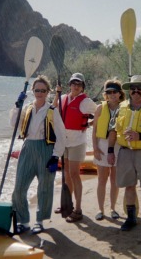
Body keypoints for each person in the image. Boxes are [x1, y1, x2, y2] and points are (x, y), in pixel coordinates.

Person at [9, 75, 66, 234]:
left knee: (45, 188)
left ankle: (40, 221)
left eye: (42, 90)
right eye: (36, 90)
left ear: (48, 92)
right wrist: (17, 105)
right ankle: (24, 221)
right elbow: (14, 124)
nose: (39, 93)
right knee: (19, 187)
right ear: (32, 91)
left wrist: (56, 156)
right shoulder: (26, 108)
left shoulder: (52, 111)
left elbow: (62, 136)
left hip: (46, 149)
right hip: (28, 148)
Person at [107, 75, 141, 235]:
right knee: (129, 186)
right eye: (133, 88)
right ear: (129, 90)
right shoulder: (120, 107)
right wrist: (110, 151)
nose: (136, 91)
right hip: (124, 153)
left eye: (140, 88)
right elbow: (112, 131)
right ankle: (131, 218)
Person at [53, 72, 97, 223]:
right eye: (73, 83)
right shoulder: (63, 98)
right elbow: (53, 109)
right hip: (64, 142)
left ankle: (78, 209)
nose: (76, 86)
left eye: (79, 84)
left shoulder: (85, 102)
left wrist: (89, 124)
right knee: (66, 174)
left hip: (77, 142)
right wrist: (56, 93)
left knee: (74, 174)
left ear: (82, 87)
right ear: (70, 85)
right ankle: (67, 204)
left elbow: (100, 112)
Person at [91, 79, 125, 221]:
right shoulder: (100, 108)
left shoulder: (124, 108)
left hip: (117, 146)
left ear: (119, 94)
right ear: (105, 94)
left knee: (114, 180)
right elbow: (94, 130)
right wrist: (95, 149)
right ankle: (100, 209)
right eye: (109, 92)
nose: (112, 95)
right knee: (102, 180)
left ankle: (113, 208)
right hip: (102, 145)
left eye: (115, 92)